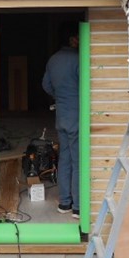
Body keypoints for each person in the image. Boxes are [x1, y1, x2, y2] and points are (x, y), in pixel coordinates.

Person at [42, 22, 80, 218]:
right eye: (78, 37)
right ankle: (78, 207)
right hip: (77, 116)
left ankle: (64, 203)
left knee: (65, 159)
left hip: (61, 116)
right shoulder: (79, 59)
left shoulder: (53, 59)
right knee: (78, 160)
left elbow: (46, 85)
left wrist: (60, 96)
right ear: (72, 39)